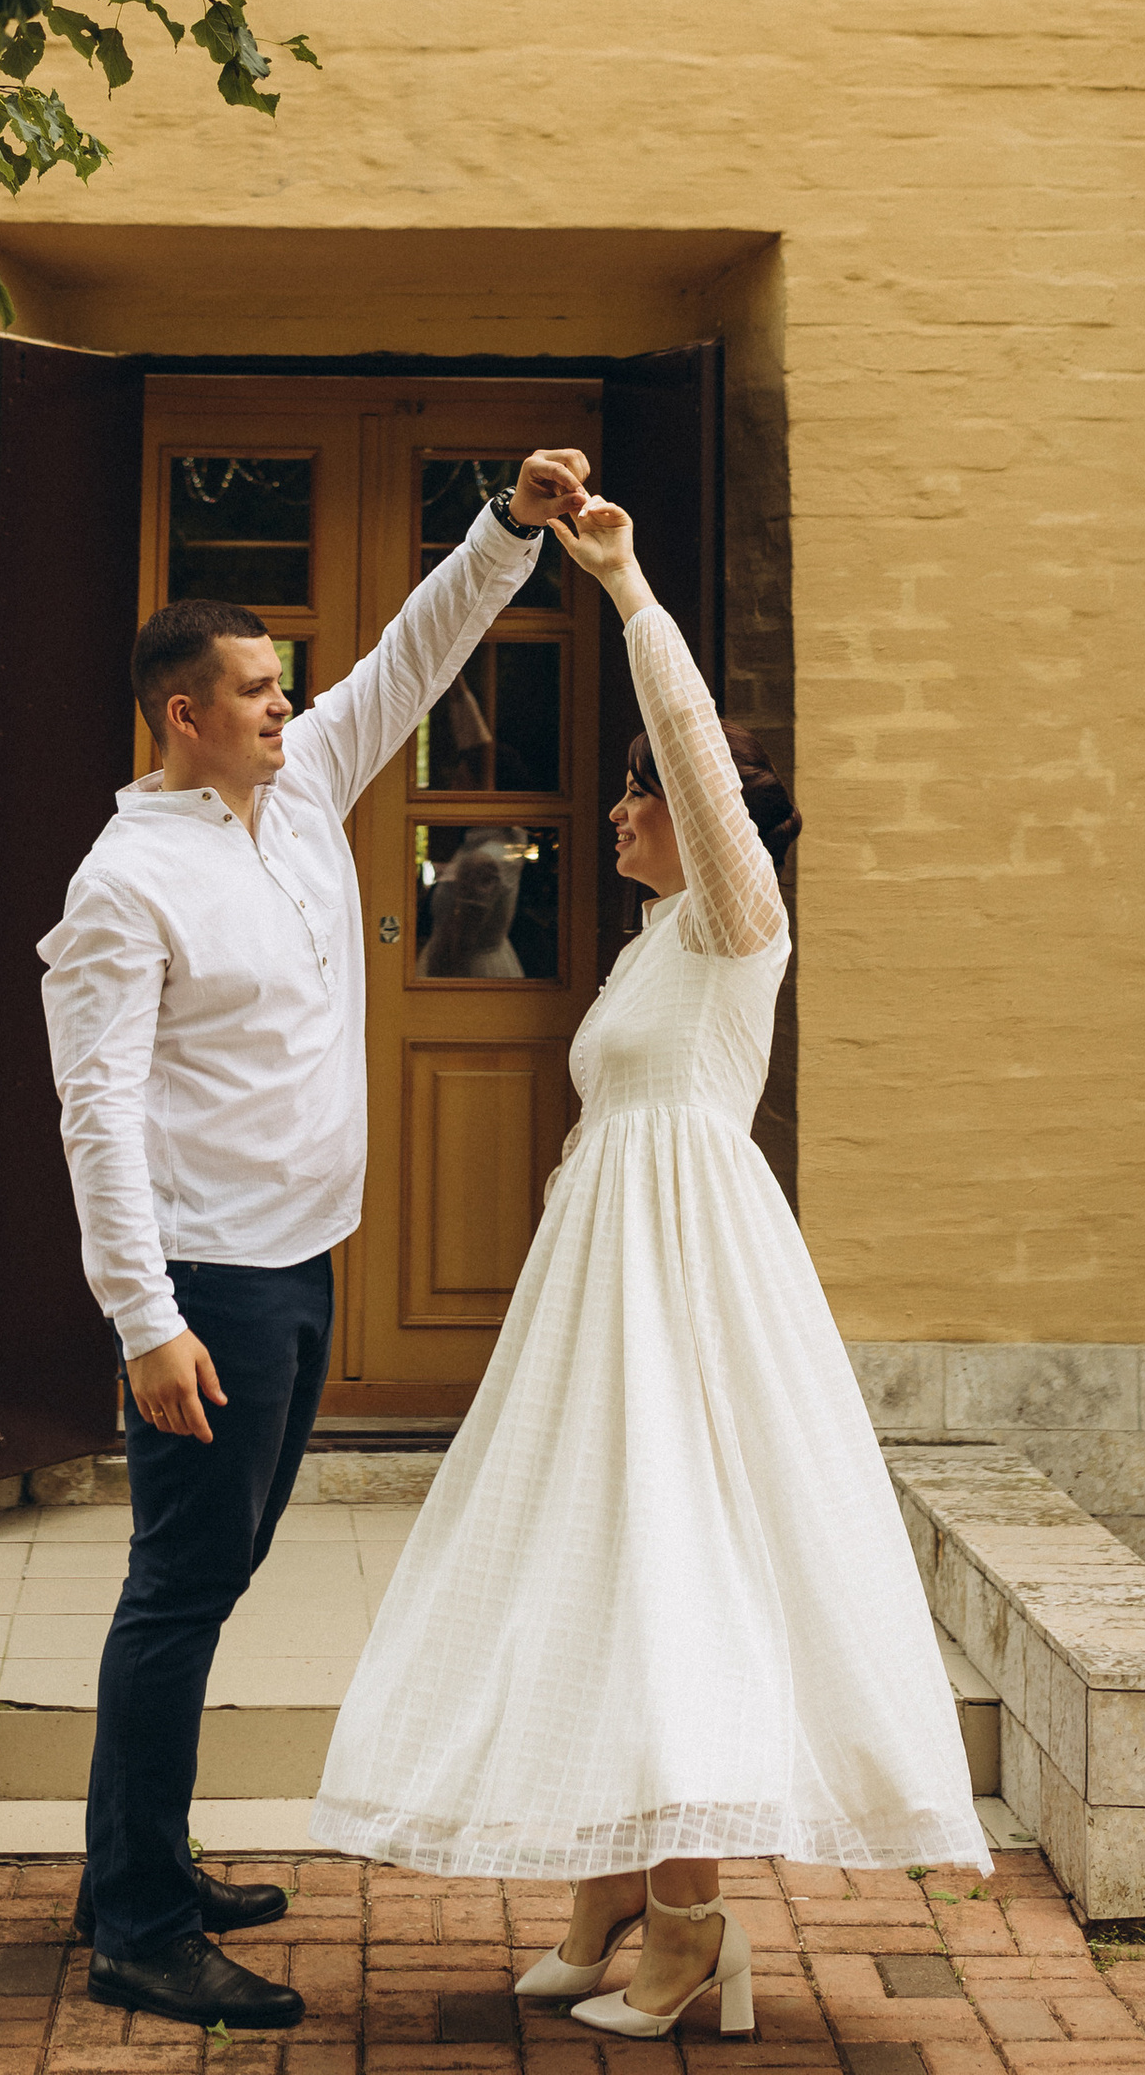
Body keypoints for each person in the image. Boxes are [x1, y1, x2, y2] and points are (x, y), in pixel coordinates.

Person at [312, 492, 989, 2034]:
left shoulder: (739, 922)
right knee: (604, 1560)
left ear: (696, 818)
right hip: (608, 1289)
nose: (613, 818)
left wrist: (622, 591)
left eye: (636, 801)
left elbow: (688, 749)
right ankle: (612, 1902)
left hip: (692, 1294)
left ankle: (692, 1924)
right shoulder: (643, 948)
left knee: (677, 1564)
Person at [39, 441, 593, 2033]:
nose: (288, 706)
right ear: (181, 715)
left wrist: (509, 527)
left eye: (286, 686)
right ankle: (139, 1924)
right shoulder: (120, 885)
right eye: (258, 691)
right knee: (180, 1589)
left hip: (300, 1263)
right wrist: (146, 1323)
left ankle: (133, 1861)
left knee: (210, 1577)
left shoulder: (296, 798)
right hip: (208, 1282)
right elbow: (96, 1119)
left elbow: (420, 647)